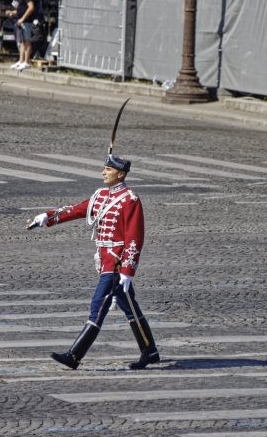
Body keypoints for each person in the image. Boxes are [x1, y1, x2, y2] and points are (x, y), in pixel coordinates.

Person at [28, 152, 160, 370]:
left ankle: (74, 356)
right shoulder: (100, 195)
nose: (103, 172)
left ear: (121, 174)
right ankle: (150, 351)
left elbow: (135, 237)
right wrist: (48, 217)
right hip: (104, 261)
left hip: (116, 263)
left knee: (98, 306)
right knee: (130, 308)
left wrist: (128, 269)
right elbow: (76, 210)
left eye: (108, 169)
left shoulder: (130, 200)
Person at [5, 0, 35, 70]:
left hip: (26, 21)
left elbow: (31, 7)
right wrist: (12, 12)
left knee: (27, 41)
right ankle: (21, 61)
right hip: (21, 21)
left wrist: (23, 18)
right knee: (22, 42)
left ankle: (27, 62)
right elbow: (20, 9)